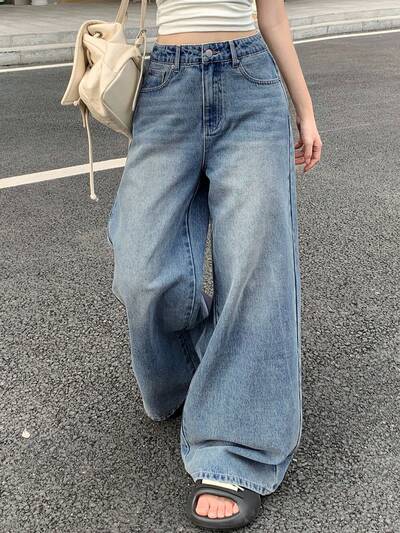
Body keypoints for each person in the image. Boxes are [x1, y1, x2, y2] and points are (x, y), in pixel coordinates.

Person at [107, 0, 322, 529]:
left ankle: (235, 448)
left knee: (254, 267)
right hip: (166, 86)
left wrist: (305, 109)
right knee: (141, 267)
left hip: (248, 81)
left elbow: (272, 16)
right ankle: (192, 374)